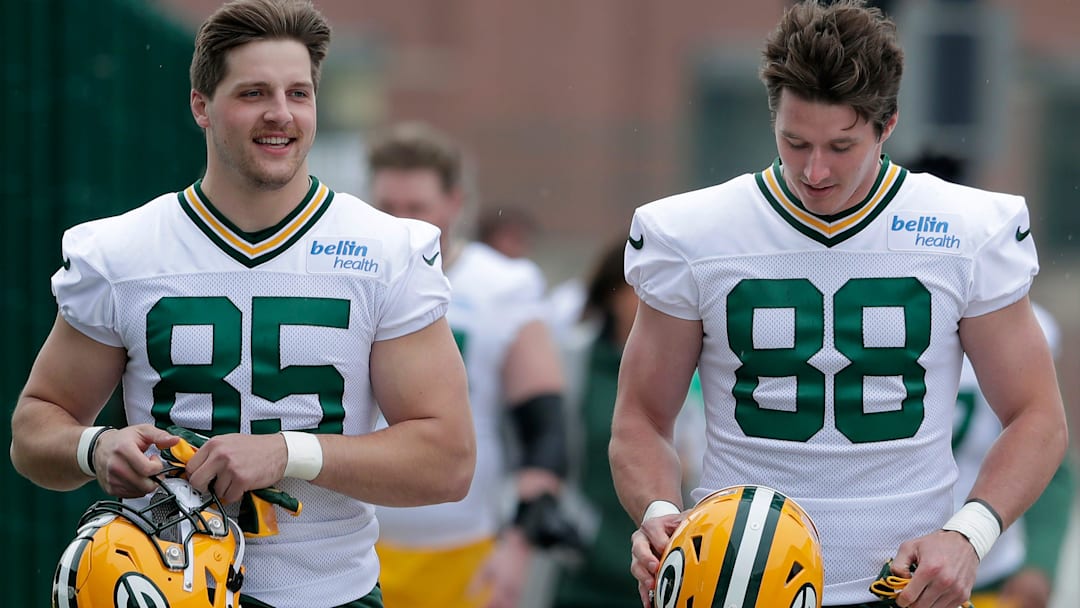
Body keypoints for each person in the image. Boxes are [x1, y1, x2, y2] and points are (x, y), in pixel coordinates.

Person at [9, 2, 476, 607]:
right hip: (162, 583)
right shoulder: (122, 251)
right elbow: (34, 429)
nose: (280, 114)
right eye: (254, 92)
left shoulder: (386, 250)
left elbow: (448, 460)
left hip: (329, 591)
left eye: (298, 94)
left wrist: (287, 451)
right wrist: (94, 447)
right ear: (201, 105)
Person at [608, 1, 1069, 607]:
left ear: (888, 124)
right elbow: (641, 416)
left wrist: (969, 534)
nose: (815, 169)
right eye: (795, 142)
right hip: (736, 580)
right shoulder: (692, 234)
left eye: (841, 146)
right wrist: (661, 513)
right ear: (772, 118)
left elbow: (1038, 416)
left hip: (903, 588)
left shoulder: (966, 229)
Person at [367, 122, 577, 608]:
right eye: (387, 208)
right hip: (352, 545)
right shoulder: (347, 278)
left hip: (460, 552)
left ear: (454, 203)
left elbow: (544, 428)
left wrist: (519, 546)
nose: (401, 224)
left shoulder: (500, 286)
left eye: (416, 208)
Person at [906, 152, 1076, 608]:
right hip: (891, 571)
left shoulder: (1021, 327)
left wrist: (1038, 563)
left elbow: (1045, 447)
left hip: (985, 566)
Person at [552, 236, 705, 608]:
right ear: (610, 293)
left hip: (665, 557)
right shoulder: (574, 358)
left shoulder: (689, 363)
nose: (648, 304)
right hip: (586, 558)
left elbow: (699, 453)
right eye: (639, 291)